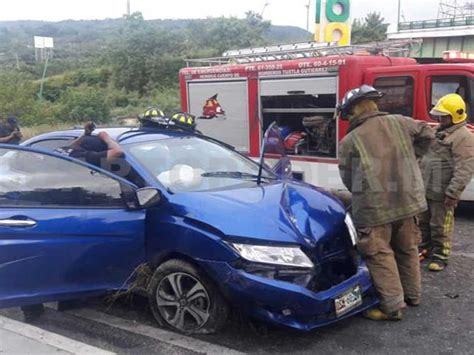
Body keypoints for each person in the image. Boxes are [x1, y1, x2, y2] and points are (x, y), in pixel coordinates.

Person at [337, 85, 435, 321]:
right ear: (373, 104)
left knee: (380, 254)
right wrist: (413, 159)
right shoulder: (401, 122)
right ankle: (413, 296)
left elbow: (349, 179)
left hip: (375, 209)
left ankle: (392, 308)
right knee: (408, 249)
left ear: (353, 111)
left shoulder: (350, 140)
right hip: (409, 202)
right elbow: (428, 135)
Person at [419, 94, 474, 272]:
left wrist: (453, 192)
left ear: (455, 116)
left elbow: (464, 168)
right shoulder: (440, 131)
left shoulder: (463, 137)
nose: (440, 119)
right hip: (428, 187)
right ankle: (425, 248)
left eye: (444, 116)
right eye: (440, 116)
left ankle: (440, 255)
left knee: (441, 224)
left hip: (443, 191)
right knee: (423, 222)